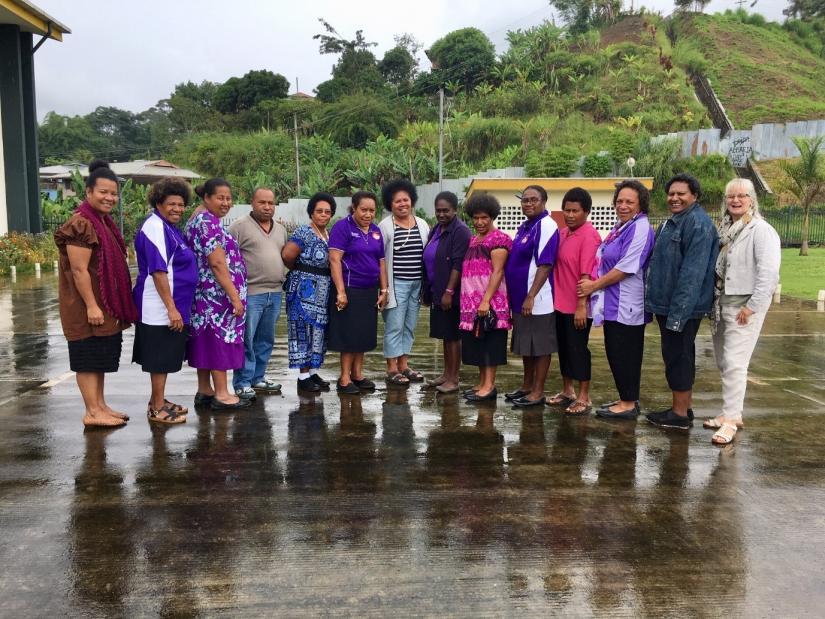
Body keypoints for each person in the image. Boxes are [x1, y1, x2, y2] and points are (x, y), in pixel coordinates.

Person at [54, 159, 137, 427]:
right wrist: (91, 305)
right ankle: (91, 411)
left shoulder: (103, 223)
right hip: (84, 305)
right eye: (103, 192)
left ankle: (100, 405)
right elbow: (79, 271)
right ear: (88, 192)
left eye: (113, 193)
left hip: (103, 304)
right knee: (87, 357)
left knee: (99, 356)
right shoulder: (81, 224)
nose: (109, 198)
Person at [707, 178, 780, 444]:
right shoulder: (727, 230)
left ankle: (730, 420)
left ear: (752, 199)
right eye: (731, 197)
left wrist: (752, 307)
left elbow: (769, 273)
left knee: (736, 364)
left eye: (742, 196)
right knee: (723, 362)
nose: (735, 201)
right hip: (722, 305)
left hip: (744, 308)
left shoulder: (761, 231)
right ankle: (731, 413)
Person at [645, 174, 720, 430]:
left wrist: (678, 313)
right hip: (669, 305)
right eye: (671, 194)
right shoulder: (673, 222)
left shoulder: (698, 224)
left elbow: (692, 273)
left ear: (694, 196)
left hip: (682, 308)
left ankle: (678, 414)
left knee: (678, 357)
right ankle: (683, 408)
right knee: (679, 355)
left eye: (681, 194)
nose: (674, 198)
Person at [577, 180, 655, 420]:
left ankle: (629, 403)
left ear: (640, 204)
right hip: (612, 302)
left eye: (629, 201)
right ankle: (625, 397)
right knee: (616, 351)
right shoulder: (620, 227)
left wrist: (593, 286)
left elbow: (626, 267)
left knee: (625, 352)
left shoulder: (640, 227)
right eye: (619, 201)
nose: (623, 205)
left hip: (627, 305)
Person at [132, 177, 198, 424]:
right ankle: (157, 408)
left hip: (171, 304)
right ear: (159, 203)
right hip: (158, 306)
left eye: (181, 205)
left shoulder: (168, 227)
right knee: (160, 359)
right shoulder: (154, 227)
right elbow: (158, 271)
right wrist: (171, 308)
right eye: (172, 204)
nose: (178, 209)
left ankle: (158, 399)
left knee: (166, 356)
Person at [185, 178, 250, 410]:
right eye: (220, 198)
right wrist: (234, 296)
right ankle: (222, 394)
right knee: (218, 341)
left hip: (206, 297)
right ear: (207, 198)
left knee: (205, 340)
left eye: (228, 198)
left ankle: (205, 389)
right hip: (216, 297)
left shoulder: (201, 219)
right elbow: (217, 263)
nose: (226, 203)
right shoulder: (208, 223)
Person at [228, 187, 287, 399]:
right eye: (262, 202)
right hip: (251, 294)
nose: (267, 207)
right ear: (252, 202)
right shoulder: (239, 227)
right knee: (247, 340)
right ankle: (242, 382)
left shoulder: (280, 229)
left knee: (266, 340)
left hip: (275, 292)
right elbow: (227, 261)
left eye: (271, 203)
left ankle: (258, 378)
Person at [328, 191, 389, 394]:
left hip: (369, 290)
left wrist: (384, 289)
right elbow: (335, 259)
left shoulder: (376, 231)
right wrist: (341, 292)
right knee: (349, 335)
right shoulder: (342, 227)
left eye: (372, 210)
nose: (368, 214)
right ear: (354, 208)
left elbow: (381, 262)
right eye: (364, 210)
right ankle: (344, 378)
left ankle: (357, 374)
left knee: (363, 334)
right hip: (350, 289)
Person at [551, 187, 602, 415]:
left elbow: (586, 275)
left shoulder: (589, 236)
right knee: (563, 348)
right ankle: (567, 390)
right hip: (559, 303)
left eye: (575, 211)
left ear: (586, 212)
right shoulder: (562, 233)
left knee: (578, 349)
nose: (570, 215)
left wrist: (581, 306)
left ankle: (584, 396)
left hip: (578, 305)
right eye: (566, 210)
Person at [459, 192, 512, 402]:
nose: (480, 222)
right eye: (476, 217)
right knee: (478, 343)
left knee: (491, 344)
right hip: (471, 304)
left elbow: (497, 272)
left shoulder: (499, 239)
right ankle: (482, 382)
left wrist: (486, 300)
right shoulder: (473, 240)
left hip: (489, 302)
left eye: (485, 218)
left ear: (492, 217)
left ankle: (489, 386)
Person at [282, 192, 336, 392]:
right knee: (302, 330)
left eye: (327, 212)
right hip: (303, 289)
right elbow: (288, 255)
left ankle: (313, 372)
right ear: (311, 213)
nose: (323, 215)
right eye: (319, 211)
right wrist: (301, 272)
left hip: (322, 289)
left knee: (318, 331)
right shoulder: (303, 232)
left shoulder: (328, 234)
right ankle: (303, 376)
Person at [378, 179, 431, 386]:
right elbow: (380, 259)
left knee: (409, 326)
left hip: (416, 284)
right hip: (395, 284)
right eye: (397, 201)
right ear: (390, 205)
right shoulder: (385, 226)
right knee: (394, 326)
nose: (402, 204)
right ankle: (391, 369)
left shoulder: (422, 224)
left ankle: (404, 365)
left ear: (412, 201)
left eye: (405, 200)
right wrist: (383, 288)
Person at [421, 191, 472, 394]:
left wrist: (449, 291)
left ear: (455, 210)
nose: (442, 214)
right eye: (438, 211)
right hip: (437, 290)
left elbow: (458, 263)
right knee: (444, 335)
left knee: (453, 336)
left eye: (446, 210)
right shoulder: (437, 229)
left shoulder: (460, 231)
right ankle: (445, 373)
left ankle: (454, 378)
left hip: (451, 293)